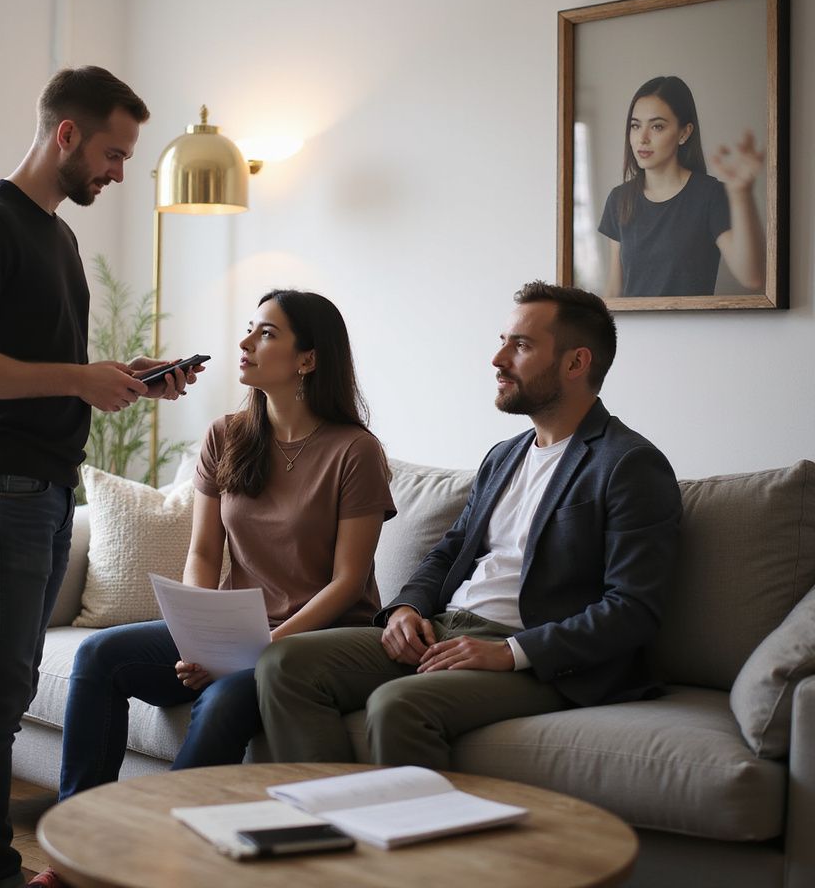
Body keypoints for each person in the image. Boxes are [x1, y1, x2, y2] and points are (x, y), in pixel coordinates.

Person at [0, 66, 200, 888]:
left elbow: (36, 361)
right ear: (68, 135)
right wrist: (79, 380)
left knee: (0, 691)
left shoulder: (57, 232)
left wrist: (116, 375)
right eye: (114, 154)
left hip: (38, 485)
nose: (120, 173)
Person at [255, 281, 681, 770]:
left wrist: (510, 653)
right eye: (502, 341)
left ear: (576, 362)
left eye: (520, 345)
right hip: (445, 630)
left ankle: (409, 839)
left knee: (398, 705)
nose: (498, 359)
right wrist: (406, 609)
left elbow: (632, 608)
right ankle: (330, 822)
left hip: (534, 657)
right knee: (284, 664)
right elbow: (447, 552)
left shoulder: (628, 463)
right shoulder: (505, 456)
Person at [53, 289, 395, 796]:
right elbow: (204, 551)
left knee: (221, 699)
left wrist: (260, 649)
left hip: (311, 644)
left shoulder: (355, 451)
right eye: (250, 328)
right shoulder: (226, 435)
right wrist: (200, 635)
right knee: (99, 656)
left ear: (308, 359)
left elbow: (348, 583)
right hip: (236, 632)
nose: (245, 341)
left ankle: (166, 847)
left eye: (266, 333)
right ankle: (77, 839)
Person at [598, 75, 765, 297]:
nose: (642, 138)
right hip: (635, 331)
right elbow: (614, 289)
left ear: (684, 133)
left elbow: (751, 276)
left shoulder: (710, 195)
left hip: (692, 331)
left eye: (657, 127)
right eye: (635, 126)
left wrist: (741, 194)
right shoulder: (619, 199)